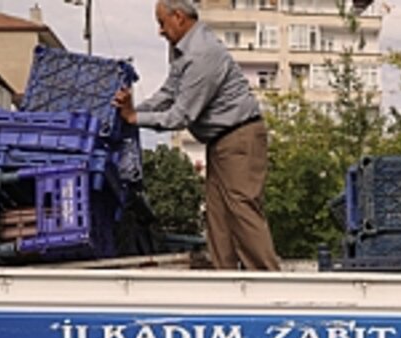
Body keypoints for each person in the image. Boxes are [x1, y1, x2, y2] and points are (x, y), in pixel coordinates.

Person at [112, 0, 280, 271]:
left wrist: (134, 118)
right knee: (217, 217)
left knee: (241, 210)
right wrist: (129, 111)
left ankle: (268, 283)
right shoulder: (181, 50)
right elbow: (168, 93)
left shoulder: (201, 54)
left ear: (178, 17)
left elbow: (180, 116)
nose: (160, 31)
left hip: (240, 137)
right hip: (221, 142)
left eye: (161, 22)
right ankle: (226, 283)